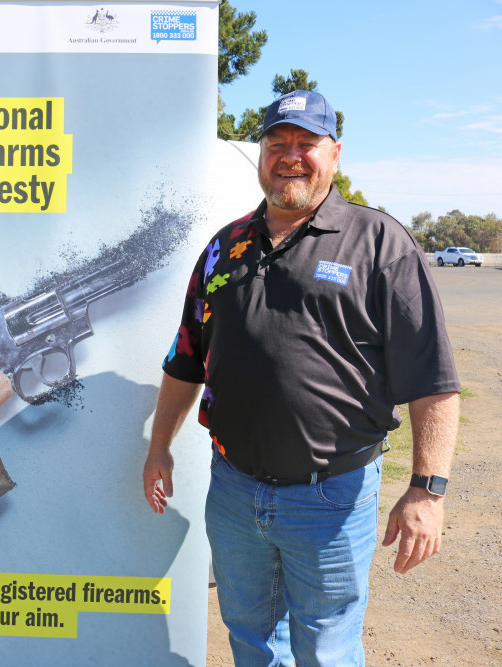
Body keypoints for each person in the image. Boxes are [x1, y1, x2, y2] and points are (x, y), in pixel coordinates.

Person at [142, 90, 460, 666]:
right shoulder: (225, 247)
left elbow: (433, 379)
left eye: (306, 144)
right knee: (251, 639)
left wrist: (427, 490)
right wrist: (160, 445)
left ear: (333, 154)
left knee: (326, 649)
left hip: (331, 496)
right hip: (235, 491)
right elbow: (187, 355)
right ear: (261, 154)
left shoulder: (379, 243)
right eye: (277, 143)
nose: (291, 156)